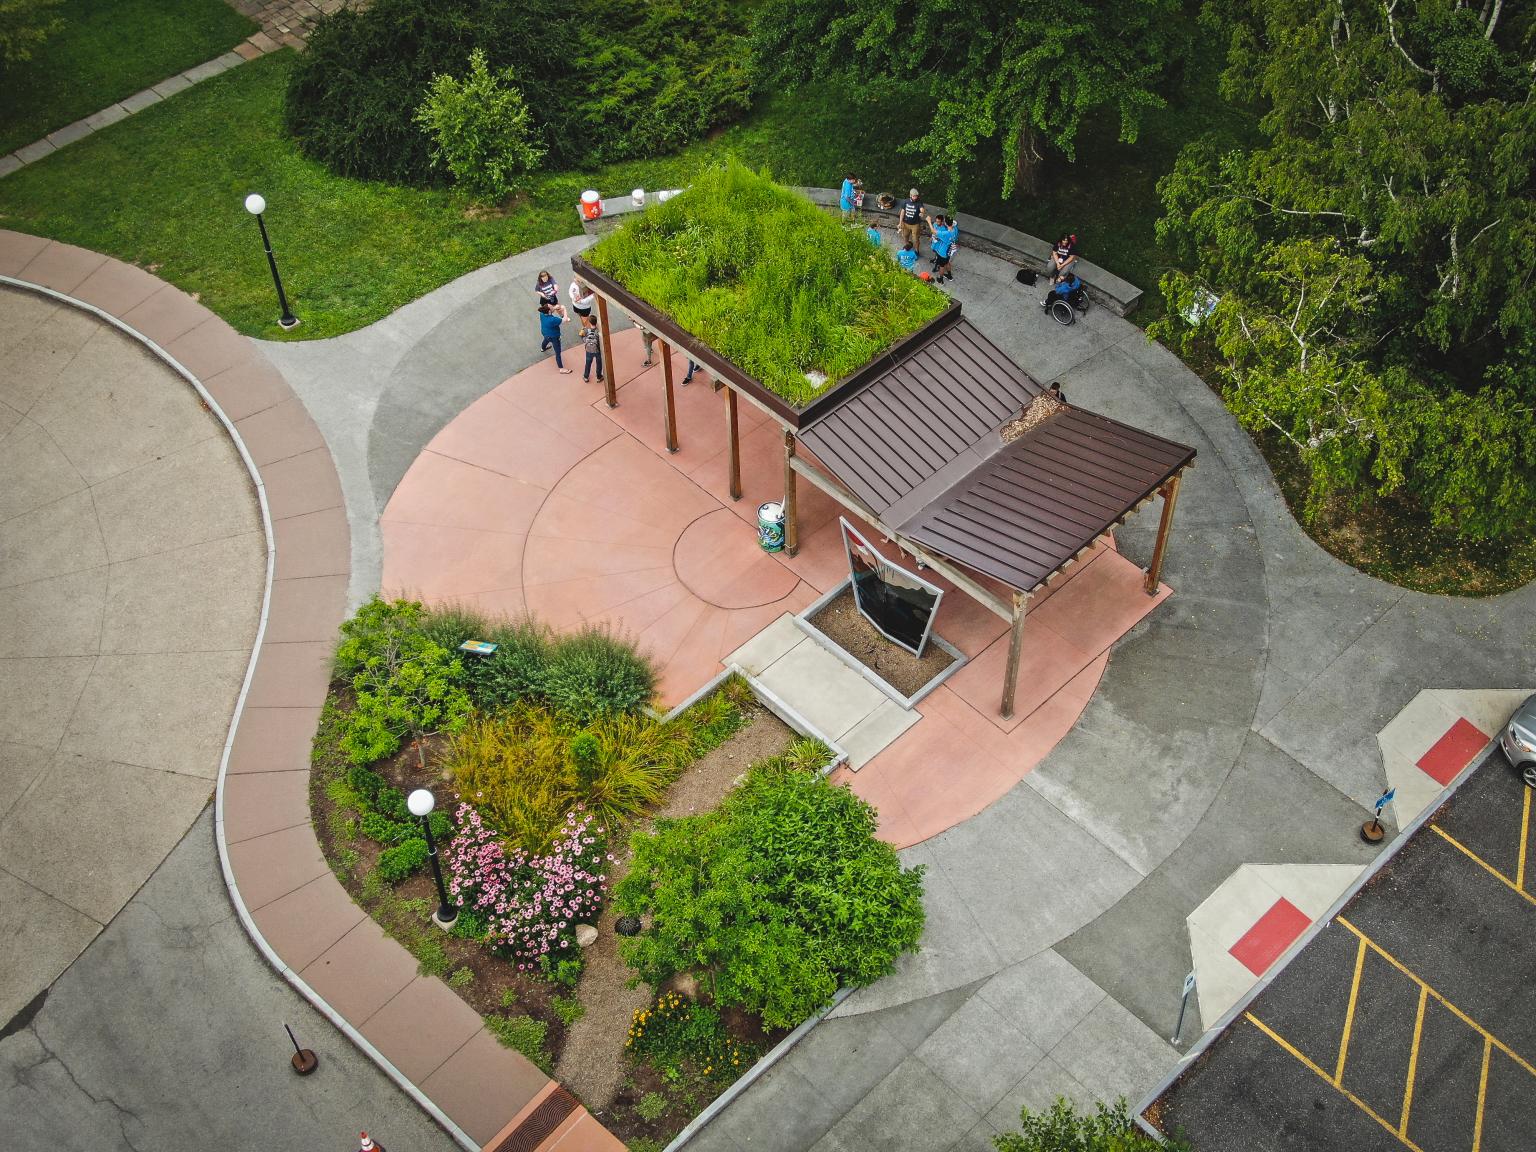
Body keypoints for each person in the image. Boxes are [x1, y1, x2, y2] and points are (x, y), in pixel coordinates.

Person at [539, 300, 572, 373]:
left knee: (545, 340)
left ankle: (543, 348)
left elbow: (551, 310)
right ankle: (561, 368)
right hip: (554, 337)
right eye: (551, 307)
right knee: (558, 353)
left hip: (545, 332)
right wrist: (564, 309)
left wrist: (555, 308)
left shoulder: (542, 313)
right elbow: (565, 320)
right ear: (549, 312)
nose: (552, 306)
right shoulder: (553, 320)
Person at [929, 214, 959, 283]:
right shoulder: (954, 229)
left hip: (942, 253)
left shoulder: (945, 233)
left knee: (942, 266)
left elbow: (933, 231)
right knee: (947, 262)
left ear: (945, 223)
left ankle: (940, 279)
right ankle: (949, 276)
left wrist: (929, 221)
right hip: (949, 251)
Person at [896, 189, 925, 253]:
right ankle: (907, 247)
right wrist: (900, 223)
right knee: (905, 236)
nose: (915, 197)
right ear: (910, 195)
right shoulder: (905, 201)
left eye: (916, 196)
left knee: (915, 239)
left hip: (915, 225)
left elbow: (922, 209)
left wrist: (922, 213)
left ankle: (917, 250)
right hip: (905, 223)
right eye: (914, 196)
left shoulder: (919, 202)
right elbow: (902, 212)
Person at [580, 314, 604, 383]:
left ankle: (586, 377)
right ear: (596, 322)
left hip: (588, 350)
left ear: (589, 323)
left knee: (588, 363)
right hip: (597, 350)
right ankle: (599, 377)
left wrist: (585, 339)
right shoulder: (598, 331)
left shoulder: (586, 330)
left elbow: (582, 337)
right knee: (599, 363)